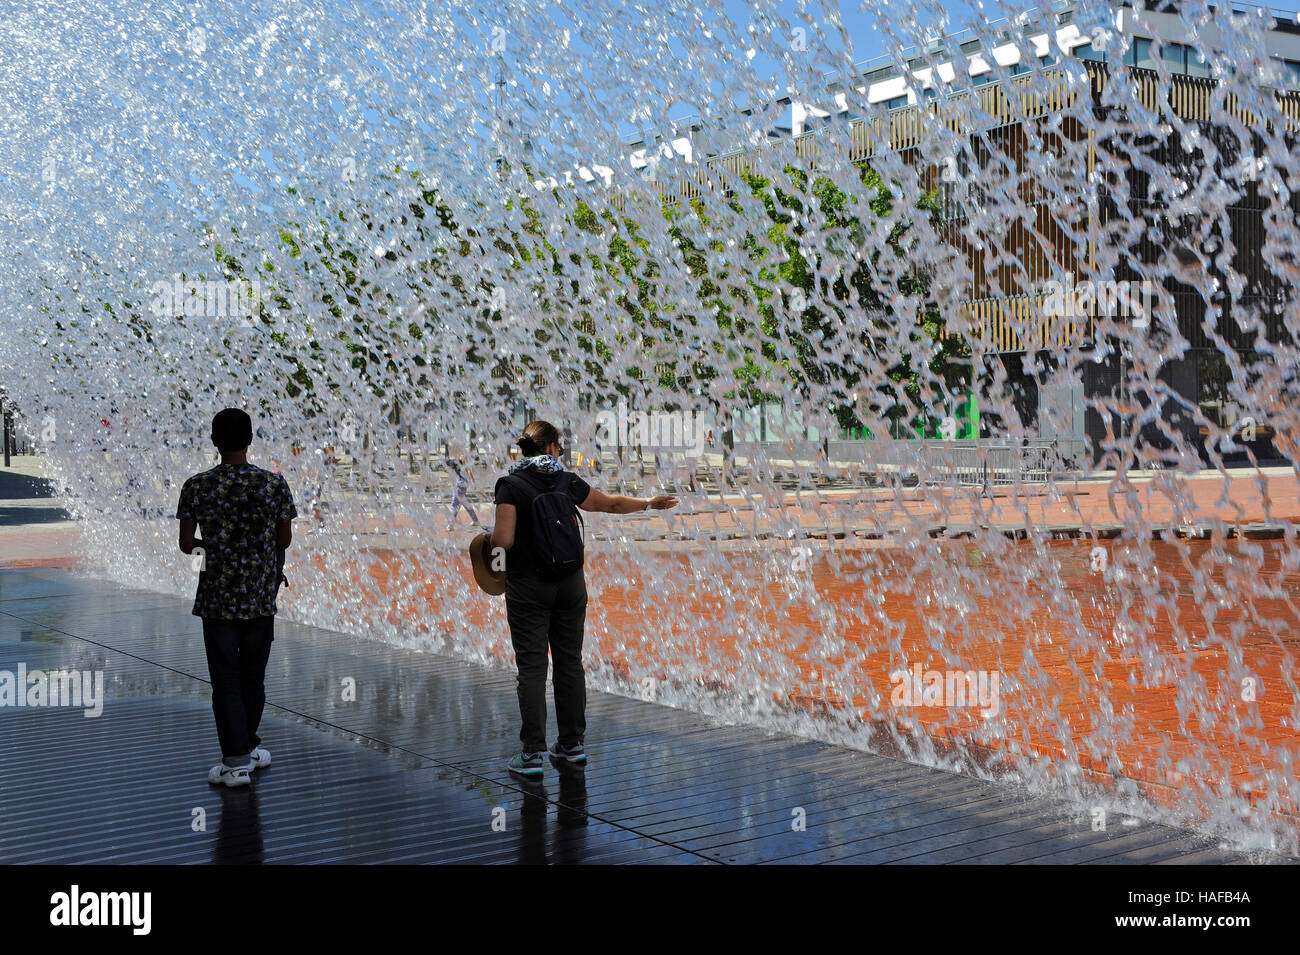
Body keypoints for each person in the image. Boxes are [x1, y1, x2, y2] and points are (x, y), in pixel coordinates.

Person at [490, 419, 677, 777]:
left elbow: (503, 540)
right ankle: (572, 745)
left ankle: (531, 755)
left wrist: (488, 541)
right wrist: (649, 503)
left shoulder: (510, 485)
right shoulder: (565, 480)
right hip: (571, 584)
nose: (561, 453)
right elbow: (609, 505)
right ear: (550, 449)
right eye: (559, 447)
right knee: (569, 662)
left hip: (529, 586)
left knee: (532, 667)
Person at [176, 408, 297, 787]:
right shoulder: (273, 485)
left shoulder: (196, 486)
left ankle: (236, 761)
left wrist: (216, 547)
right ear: (249, 440)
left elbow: (185, 545)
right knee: (253, 678)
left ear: (214, 441)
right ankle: (247, 750)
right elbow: (284, 540)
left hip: (217, 598)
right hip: (260, 595)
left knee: (225, 680)